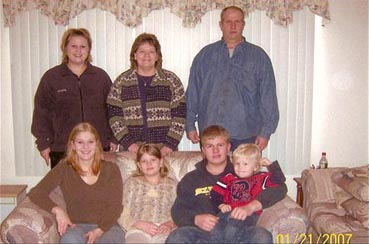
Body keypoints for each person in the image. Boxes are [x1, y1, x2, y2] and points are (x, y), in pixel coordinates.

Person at [166, 125, 287, 243]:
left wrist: (251, 207)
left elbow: (280, 188)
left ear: (228, 147)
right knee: (177, 236)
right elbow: (178, 210)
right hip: (203, 233)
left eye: (220, 145)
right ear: (203, 150)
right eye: (209, 146)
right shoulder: (191, 179)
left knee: (262, 235)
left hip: (238, 230)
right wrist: (196, 219)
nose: (215, 150)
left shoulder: (243, 171)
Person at [186, 6, 279, 151]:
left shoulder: (258, 57)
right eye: (228, 22)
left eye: (237, 21)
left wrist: (266, 132)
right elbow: (193, 94)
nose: (233, 26)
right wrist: (190, 124)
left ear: (243, 24)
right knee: (213, 174)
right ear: (221, 25)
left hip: (247, 134)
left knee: (245, 174)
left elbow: (268, 98)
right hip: (211, 134)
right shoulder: (205, 56)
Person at [31, 28, 117, 168]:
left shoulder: (100, 77)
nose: (78, 51)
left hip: (97, 148)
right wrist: (43, 144)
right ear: (65, 48)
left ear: (89, 49)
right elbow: (41, 113)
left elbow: (113, 110)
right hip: (62, 149)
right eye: (73, 46)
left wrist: (113, 138)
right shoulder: (52, 78)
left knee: (97, 189)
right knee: (67, 189)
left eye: (83, 46)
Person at [28, 122, 125, 244]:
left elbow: (115, 206)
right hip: (76, 227)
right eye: (80, 142)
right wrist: (57, 210)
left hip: (108, 228)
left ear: (97, 144)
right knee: (69, 240)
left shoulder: (111, 169)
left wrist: (99, 231)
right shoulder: (64, 168)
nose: (86, 147)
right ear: (73, 145)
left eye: (90, 142)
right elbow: (36, 193)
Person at [107, 33, 186, 157]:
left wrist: (168, 146)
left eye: (151, 52)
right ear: (135, 55)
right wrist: (130, 145)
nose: (146, 56)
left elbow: (180, 117)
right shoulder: (122, 81)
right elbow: (114, 117)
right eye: (142, 51)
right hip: (130, 152)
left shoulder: (171, 80)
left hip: (164, 152)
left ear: (157, 56)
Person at [209, 143, 286, 243]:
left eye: (245, 164)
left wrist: (270, 165)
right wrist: (221, 205)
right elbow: (215, 193)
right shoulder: (228, 178)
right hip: (225, 214)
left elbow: (279, 181)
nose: (240, 167)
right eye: (237, 163)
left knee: (234, 228)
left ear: (255, 167)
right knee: (215, 232)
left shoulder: (261, 178)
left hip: (247, 217)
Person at [118, 143, 177, 243]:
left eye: (153, 160)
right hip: (138, 229)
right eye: (144, 161)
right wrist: (137, 224)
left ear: (161, 162)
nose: (149, 164)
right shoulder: (132, 183)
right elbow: (122, 212)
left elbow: (179, 211)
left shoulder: (172, 185)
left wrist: (170, 224)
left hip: (164, 230)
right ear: (139, 165)